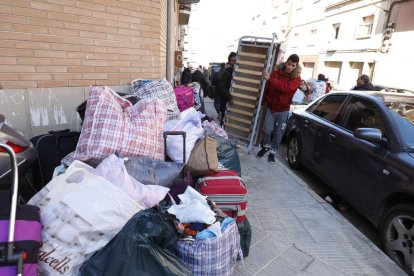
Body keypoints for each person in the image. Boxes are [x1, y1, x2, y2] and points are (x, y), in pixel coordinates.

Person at [257, 54, 302, 164]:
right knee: (267, 130)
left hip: (283, 110)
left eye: (293, 65)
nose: (290, 67)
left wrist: (270, 80)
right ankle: (266, 146)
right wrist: (262, 103)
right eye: (289, 64)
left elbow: (285, 88)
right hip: (271, 107)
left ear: (296, 66)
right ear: (286, 62)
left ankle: (272, 152)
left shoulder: (296, 79)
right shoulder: (275, 74)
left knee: (279, 133)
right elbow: (267, 89)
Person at [216, 52, 236, 125]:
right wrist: (229, 98)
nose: (234, 62)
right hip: (227, 102)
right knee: (224, 123)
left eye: (235, 60)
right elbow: (222, 87)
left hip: (235, 105)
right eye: (232, 60)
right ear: (229, 62)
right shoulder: (227, 72)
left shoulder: (241, 74)